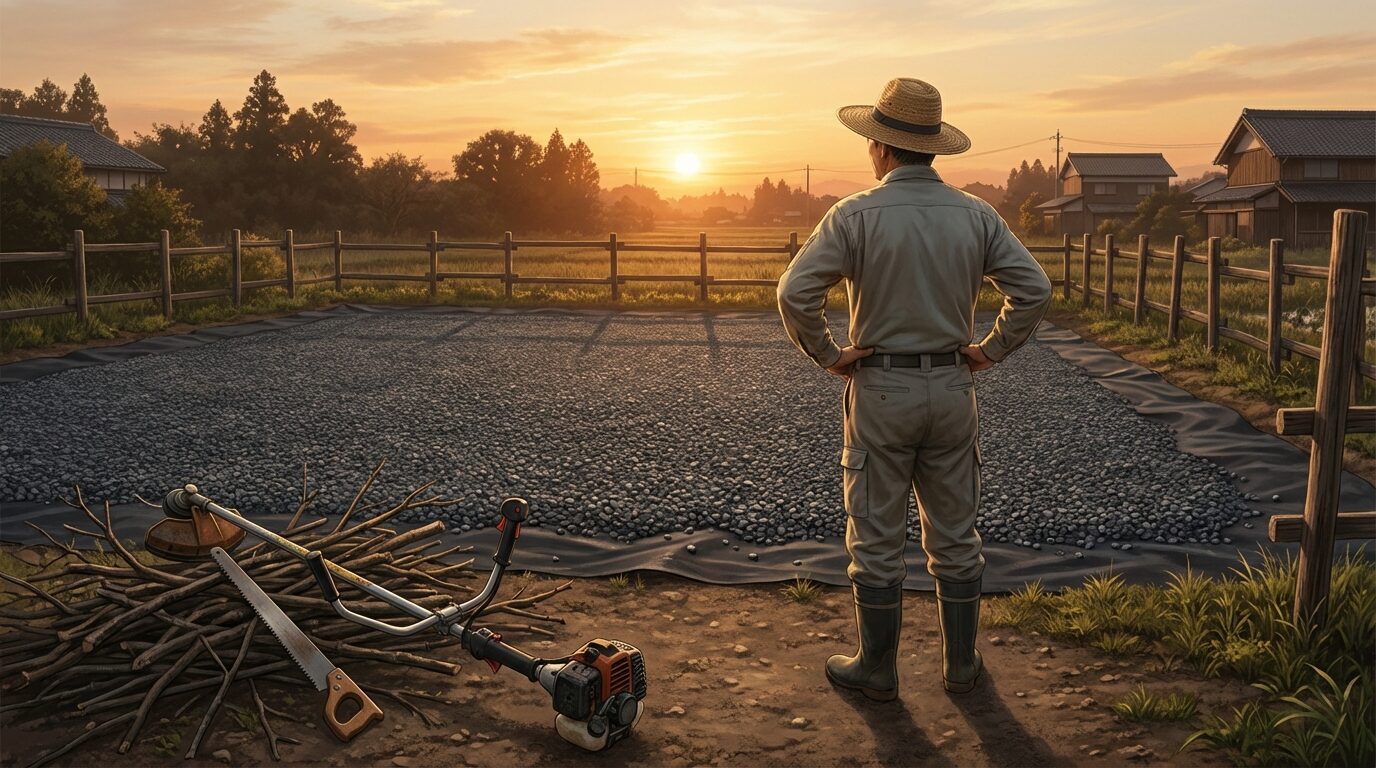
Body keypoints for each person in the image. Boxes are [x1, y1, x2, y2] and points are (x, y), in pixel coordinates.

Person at [777, 77, 1052, 701]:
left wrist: (830, 354)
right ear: (934, 147)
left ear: (881, 147)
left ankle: (877, 669)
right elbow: (1033, 290)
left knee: (875, 537)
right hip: (954, 387)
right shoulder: (977, 214)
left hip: (880, 389)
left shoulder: (854, 215)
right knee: (955, 534)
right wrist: (990, 348)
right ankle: (961, 667)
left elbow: (795, 293)